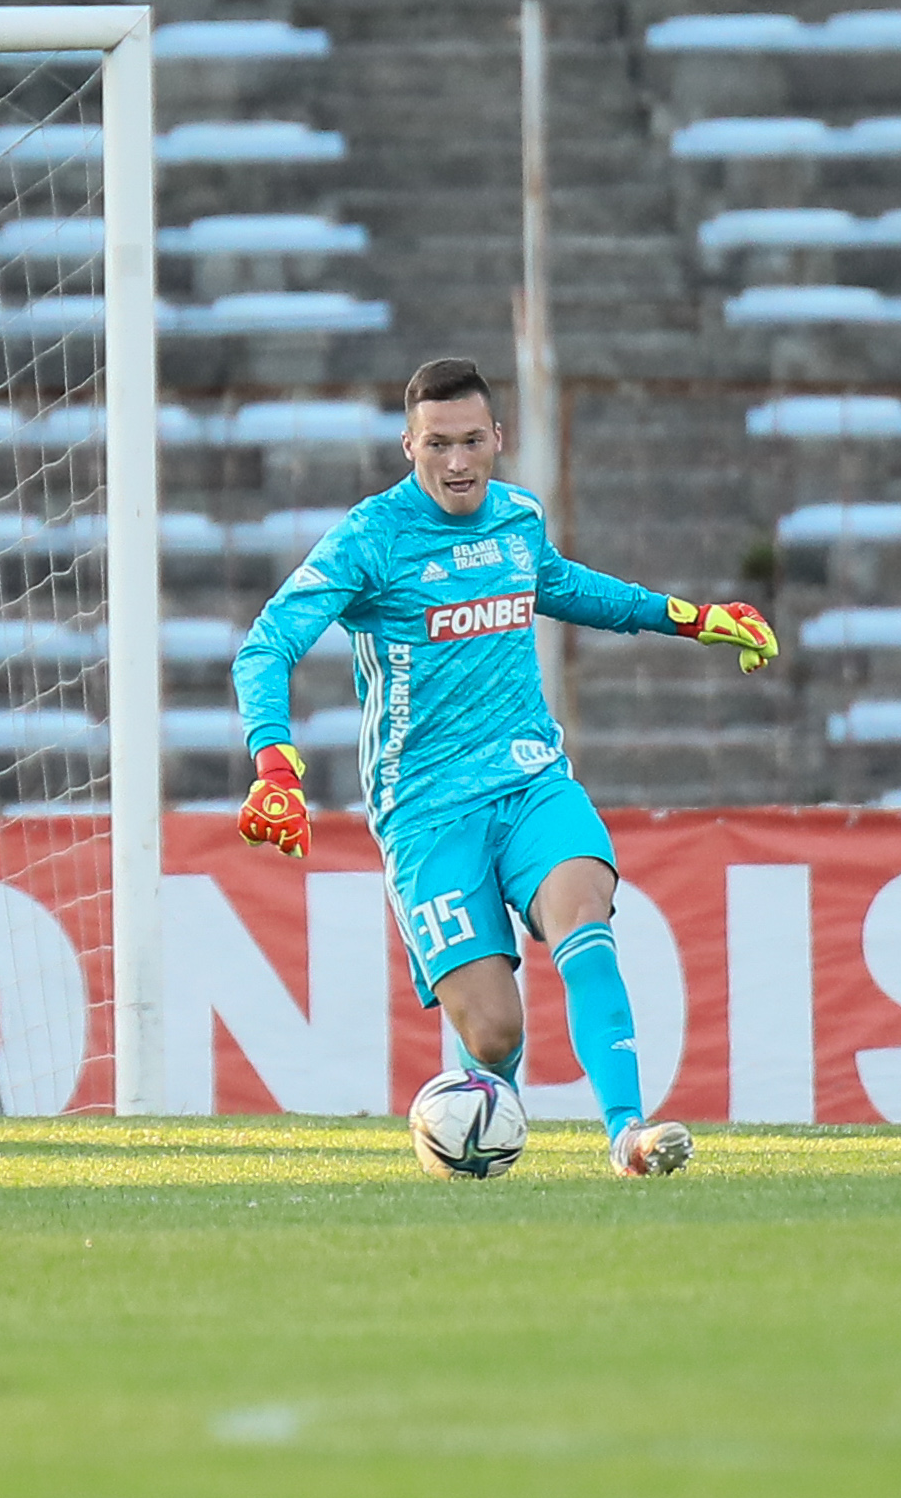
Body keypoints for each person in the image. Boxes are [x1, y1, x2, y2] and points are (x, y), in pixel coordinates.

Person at [231, 358, 778, 1175]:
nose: (457, 462)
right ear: (409, 445)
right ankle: (484, 1122)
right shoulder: (373, 538)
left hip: (530, 779)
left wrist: (689, 617)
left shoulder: (518, 518)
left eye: (472, 441)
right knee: (493, 1032)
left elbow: (561, 585)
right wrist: (275, 765)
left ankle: (628, 1134)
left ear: (498, 437)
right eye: (437, 445)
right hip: (425, 810)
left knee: (583, 909)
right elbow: (267, 644)